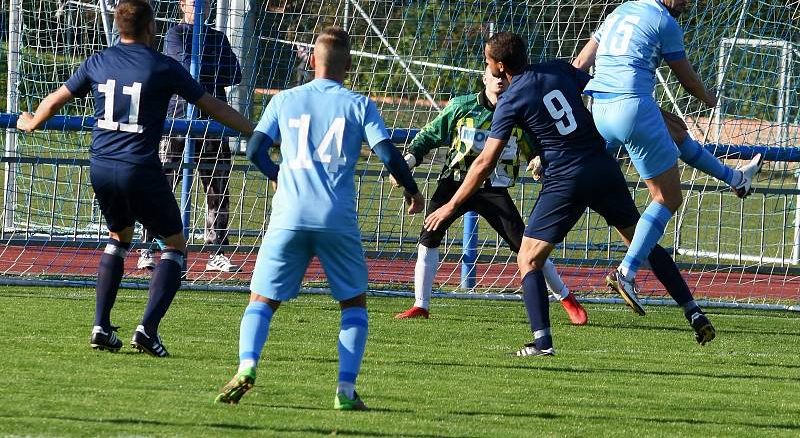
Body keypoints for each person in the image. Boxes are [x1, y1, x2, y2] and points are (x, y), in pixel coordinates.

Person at [425, 32, 717, 357]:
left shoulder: (510, 99)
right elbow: (609, 93)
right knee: (641, 243)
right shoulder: (558, 69)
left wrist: (450, 205)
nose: (487, 64)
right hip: (602, 167)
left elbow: (483, 163)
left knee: (528, 258)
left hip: (566, 177)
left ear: (500, 65)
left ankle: (542, 341)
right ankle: (693, 310)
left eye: (487, 60)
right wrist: (656, 114)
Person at [16, 0, 254, 357]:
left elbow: (56, 98)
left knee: (119, 237)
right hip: (140, 167)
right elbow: (213, 106)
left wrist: (31, 121)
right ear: (150, 28)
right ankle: (147, 329)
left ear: (118, 27)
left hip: (101, 166)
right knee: (174, 246)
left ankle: (100, 325)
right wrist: (254, 130)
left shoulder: (99, 60)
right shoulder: (162, 67)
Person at [216, 26, 425, 409]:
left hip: (289, 215)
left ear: (311, 61)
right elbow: (388, 154)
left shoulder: (284, 100)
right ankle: (345, 391)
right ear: (348, 64)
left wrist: (279, 176)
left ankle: (247, 366)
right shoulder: (359, 104)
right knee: (354, 305)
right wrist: (412, 190)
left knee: (261, 300)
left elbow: (255, 150)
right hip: (336, 218)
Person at [574, 0, 763, 315]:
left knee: (675, 131)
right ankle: (627, 272)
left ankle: (736, 179)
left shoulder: (619, 11)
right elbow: (688, 81)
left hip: (600, 107)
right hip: (632, 109)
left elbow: (580, 63)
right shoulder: (664, 21)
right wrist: (710, 97)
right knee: (666, 199)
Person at [394, 65, 587, 325]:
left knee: (527, 246)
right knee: (428, 236)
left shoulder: (521, 111)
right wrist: (407, 162)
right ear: (484, 78)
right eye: (493, 75)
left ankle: (565, 297)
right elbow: (429, 135)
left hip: (493, 189)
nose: (498, 80)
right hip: (455, 183)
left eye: (503, 76)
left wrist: (539, 159)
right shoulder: (461, 106)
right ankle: (421, 305)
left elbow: (538, 146)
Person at [138, 0, 243, 274]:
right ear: (183, 5)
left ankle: (216, 250)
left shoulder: (218, 38)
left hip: (211, 121)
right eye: (194, 3)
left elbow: (235, 72)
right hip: (177, 119)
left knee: (217, 187)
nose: (200, 8)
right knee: (162, 184)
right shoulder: (175, 34)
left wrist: (203, 68)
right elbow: (182, 66)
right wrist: (208, 68)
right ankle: (148, 247)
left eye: (206, 3)